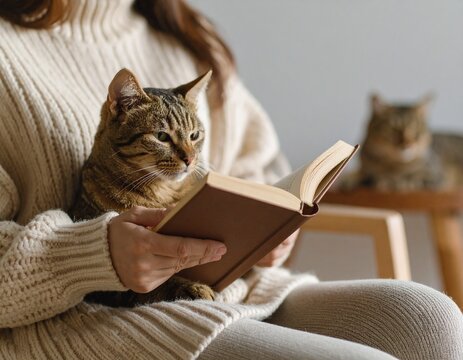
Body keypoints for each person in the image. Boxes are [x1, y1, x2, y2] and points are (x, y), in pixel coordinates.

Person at [0, 1, 461, 359]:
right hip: (76, 320)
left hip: (231, 289)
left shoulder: (190, 40)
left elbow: (256, 175)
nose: (186, 156)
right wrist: (90, 255)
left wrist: (270, 232)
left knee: (431, 319)